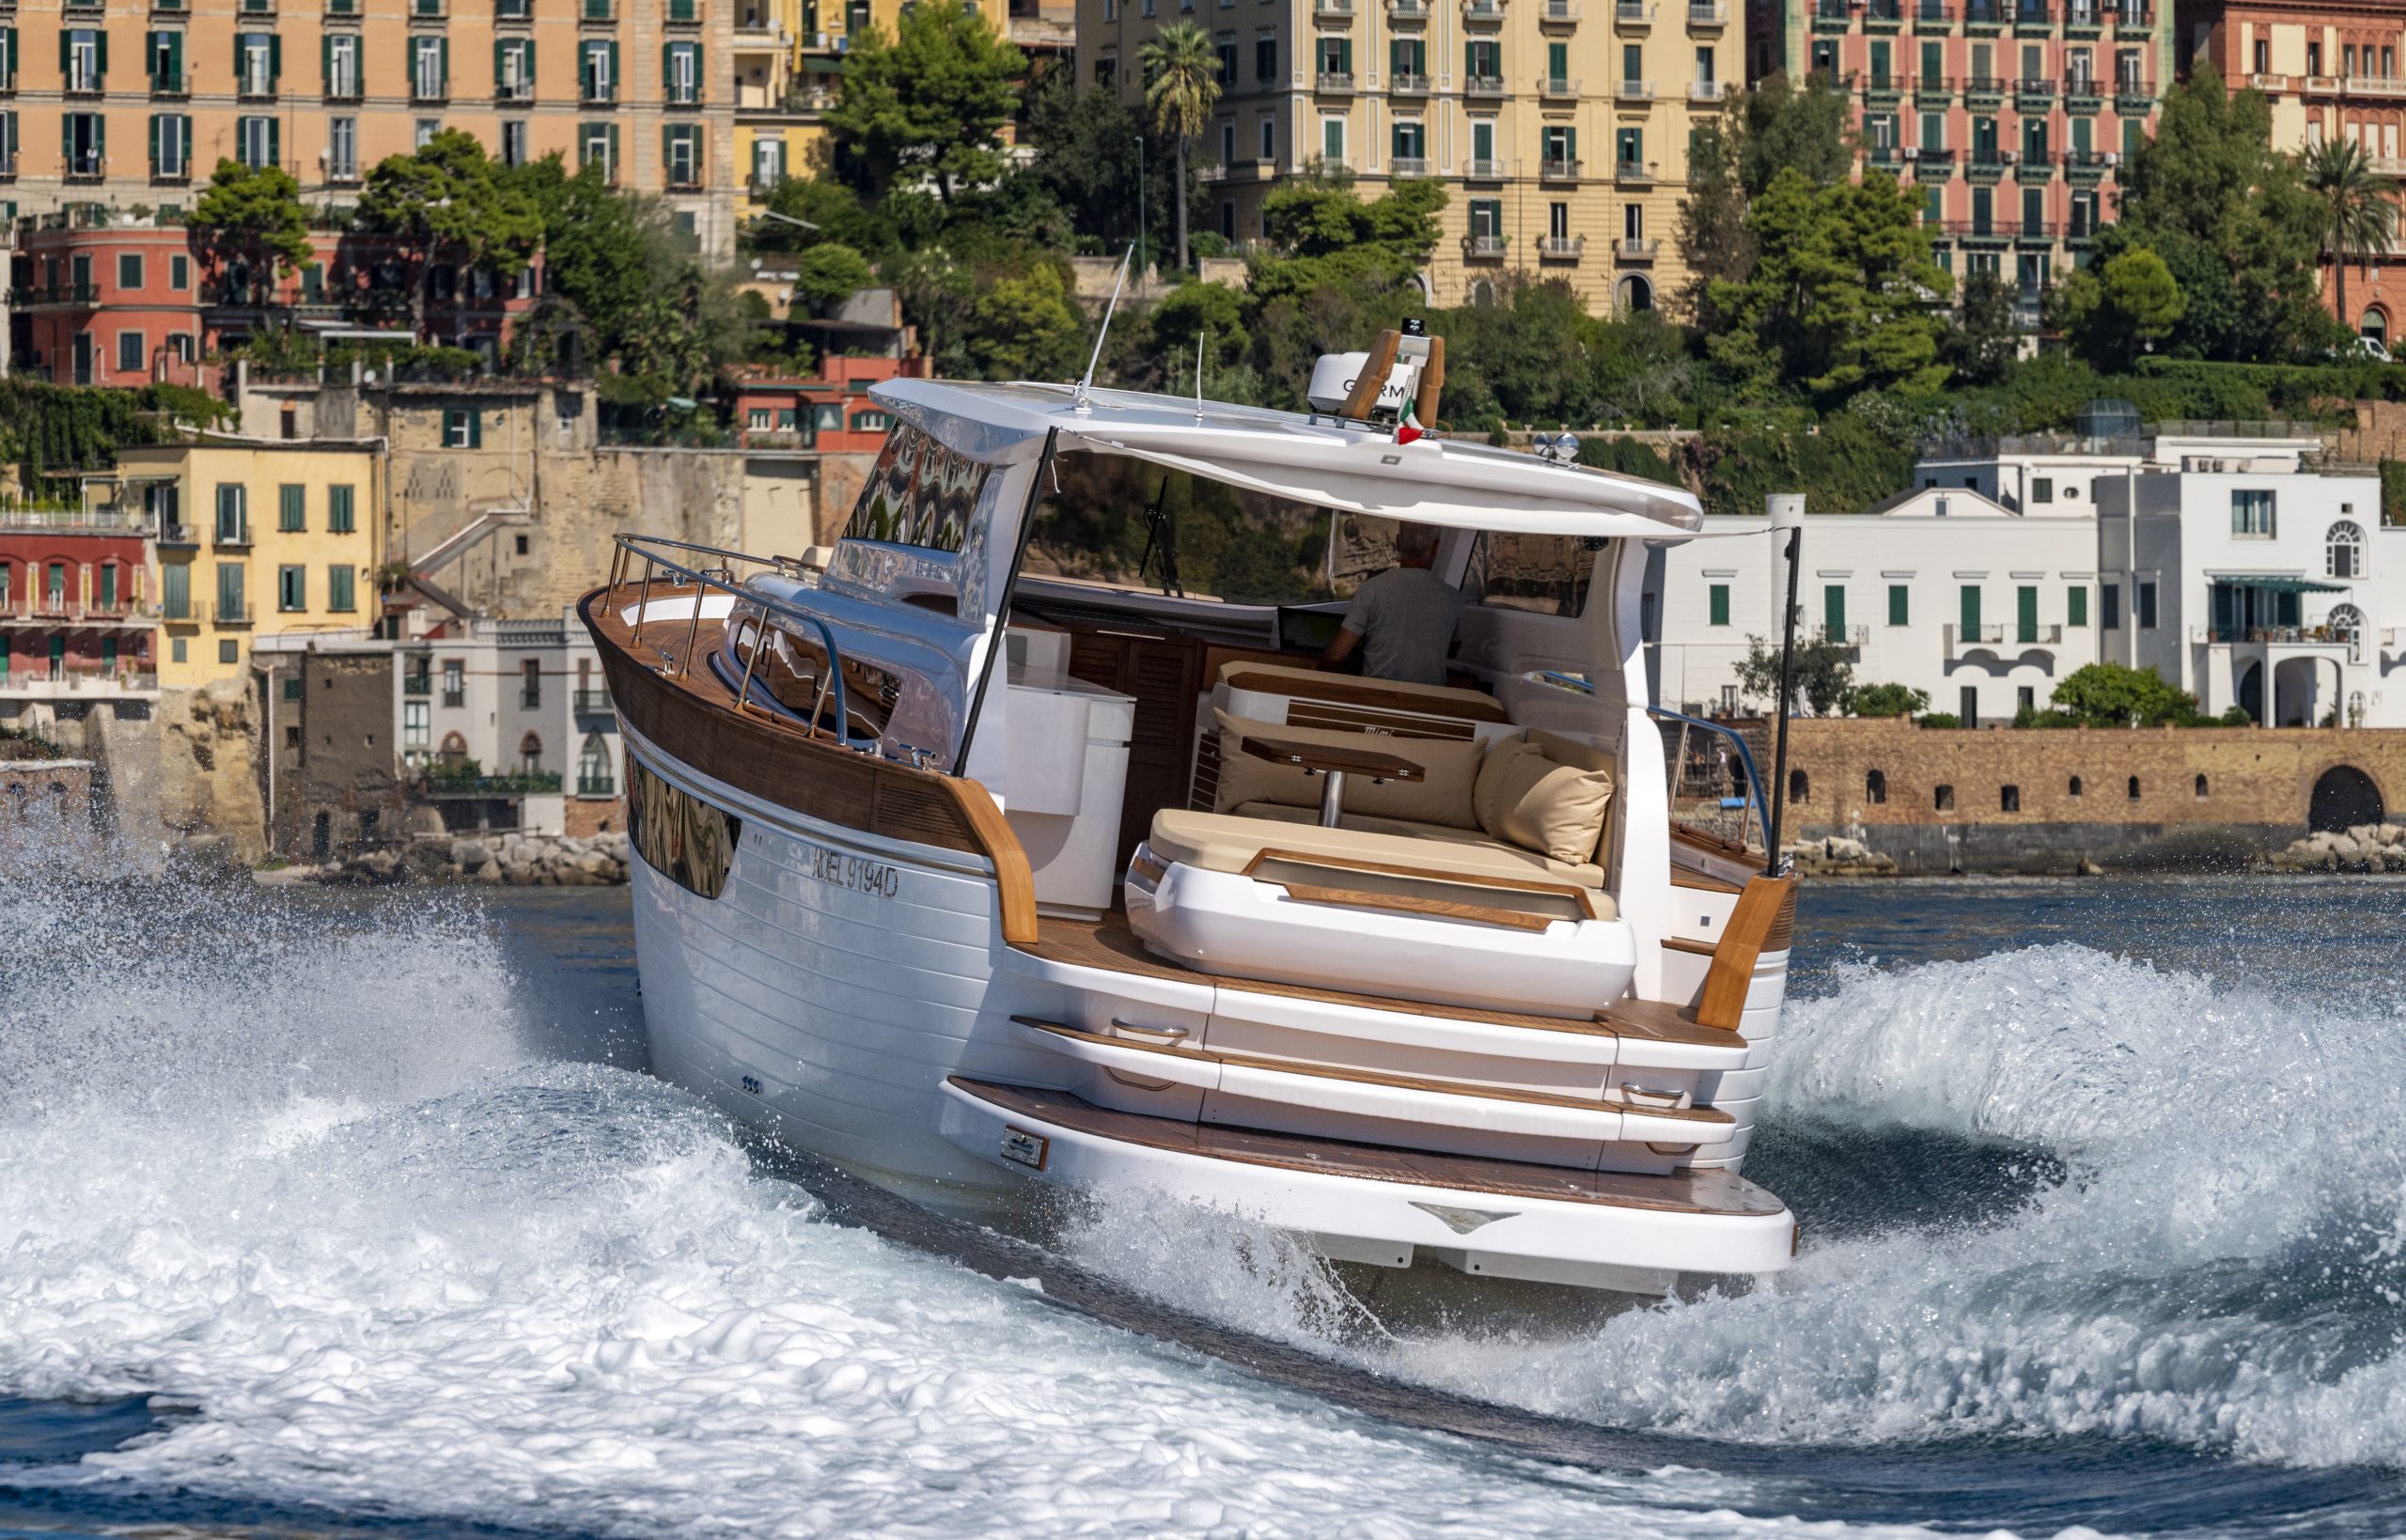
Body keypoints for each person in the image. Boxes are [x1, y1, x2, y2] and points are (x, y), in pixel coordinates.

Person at [1318, 523, 1465, 686]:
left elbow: (1336, 656)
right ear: (1436, 547)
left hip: (1379, 696)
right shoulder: (1455, 598)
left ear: (1398, 542)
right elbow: (1452, 651)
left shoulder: (1372, 589)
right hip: (1429, 699)